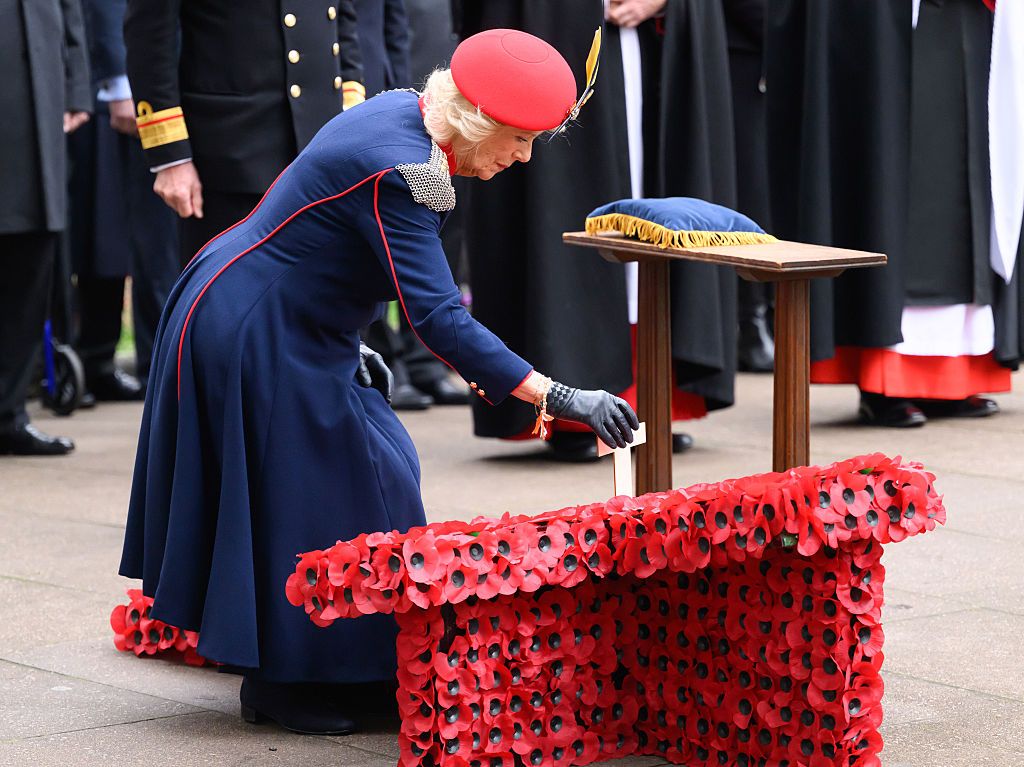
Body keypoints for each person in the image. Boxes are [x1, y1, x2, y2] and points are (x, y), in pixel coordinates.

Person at [119, 28, 639, 736]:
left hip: (275, 310)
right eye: (518, 140)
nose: (521, 157)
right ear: (478, 123)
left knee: (376, 471)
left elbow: (332, 234)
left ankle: (343, 664)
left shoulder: (408, 108)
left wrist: (352, 334)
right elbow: (439, 319)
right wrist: (560, 396)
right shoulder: (407, 170)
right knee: (325, 494)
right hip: (261, 326)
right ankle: (289, 686)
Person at [454, 0, 739, 461]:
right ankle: (570, 406)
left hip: (648, 44)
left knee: (652, 197)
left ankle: (649, 400)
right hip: (557, 28)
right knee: (565, 197)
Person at [766, 0, 1020, 428]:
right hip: (879, 20)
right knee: (888, 177)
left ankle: (953, 378)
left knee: (966, 176)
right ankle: (885, 379)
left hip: (965, 16)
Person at [123, 0, 366, 267]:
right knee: (232, 297)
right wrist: (171, 156)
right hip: (233, 152)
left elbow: (342, 22)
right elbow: (149, 36)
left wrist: (350, 121)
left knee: (328, 295)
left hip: (323, 149)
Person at [68, 0, 179, 399]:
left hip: (174, 72)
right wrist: (121, 81)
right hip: (124, 86)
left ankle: (144, 359)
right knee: (134, 231)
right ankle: (146, 362)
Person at [0, 0, 91, 456]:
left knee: (32, 254)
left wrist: (76, 85)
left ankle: (8, 413)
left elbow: (69, 9)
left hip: (39, 94)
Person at [724, 0, 774, 373]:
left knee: (769, 196)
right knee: (749, 192)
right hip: (741, 56)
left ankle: (766, 314)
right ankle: (749, 319)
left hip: (772, 57)